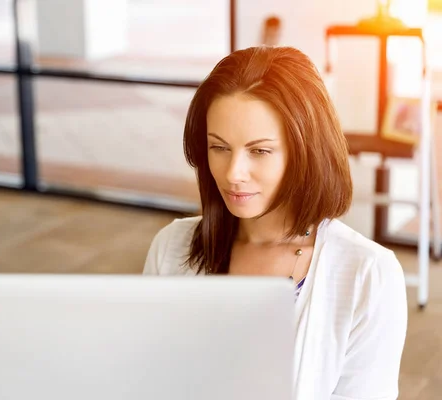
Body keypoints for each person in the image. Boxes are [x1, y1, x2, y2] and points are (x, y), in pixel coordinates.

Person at [143, 46, 407, 400]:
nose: (233, 173)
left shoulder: (366, 276)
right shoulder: (171, 247)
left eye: (260, 151)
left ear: (306, 152)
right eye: (219, 147)